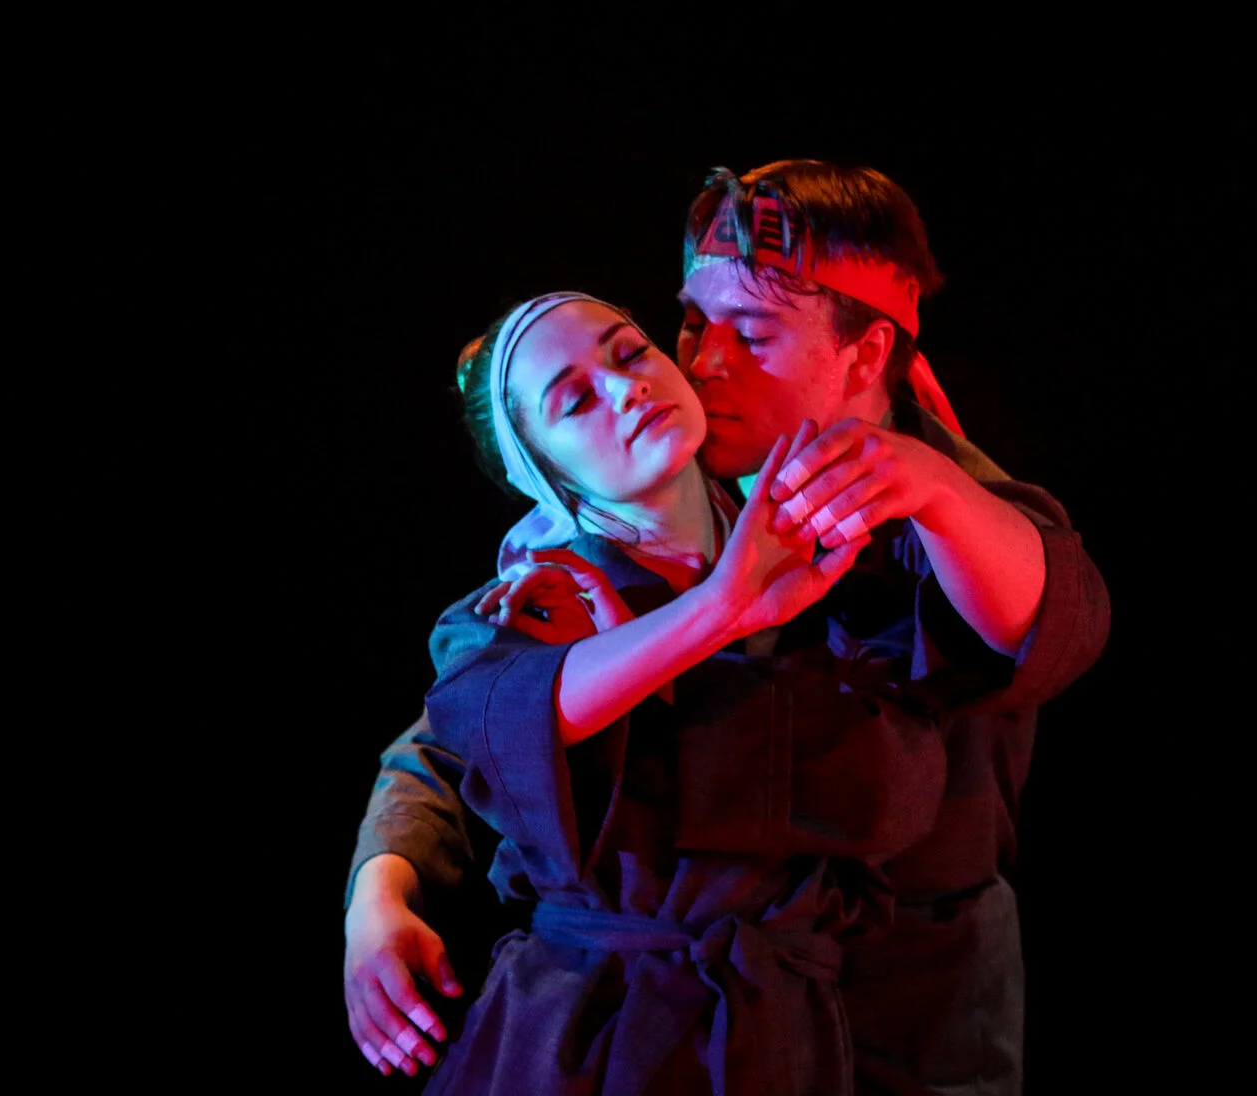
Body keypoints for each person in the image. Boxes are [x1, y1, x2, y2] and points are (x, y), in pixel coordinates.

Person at [345, 161, 1111, 1094]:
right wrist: (380, 884)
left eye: (749, 334)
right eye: (690, 326)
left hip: (908, 1003)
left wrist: (930, 493)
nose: (702, 363)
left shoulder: (947, 511)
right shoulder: (607, 539)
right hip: (636, 1030)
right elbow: (466, 724)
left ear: (865, 353)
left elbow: (1053, 620)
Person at [382, 290, 954, 1094]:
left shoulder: (830, 563)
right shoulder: (526, 610)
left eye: (631, 352)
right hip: (591, 1036)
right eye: (576, 401)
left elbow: (906, 789)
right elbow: (476, 728)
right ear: (546, 473)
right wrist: (721, 608)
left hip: (785, 1032)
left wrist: (939, 473)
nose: (628, 387)